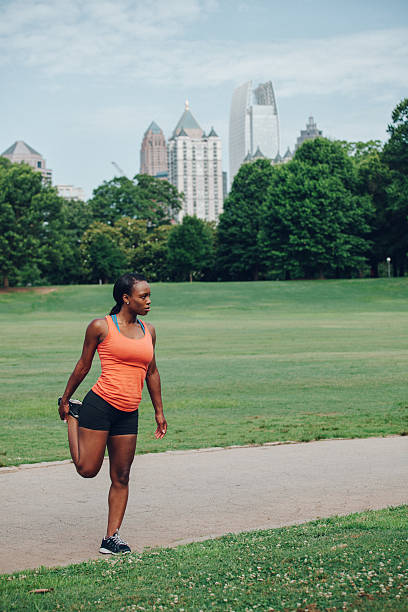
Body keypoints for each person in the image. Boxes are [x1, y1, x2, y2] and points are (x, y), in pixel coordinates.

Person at [58, 272, 167, 554]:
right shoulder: (101, 327)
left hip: (129, 411)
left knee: (122, 476)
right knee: (87, 469)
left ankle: (111, 538)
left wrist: (159, 411)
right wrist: (66, 400)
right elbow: (83, 365)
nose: (149, 301)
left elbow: (152, 372)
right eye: (143, 296)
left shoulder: (149, 331)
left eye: (149, 295)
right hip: (101, 404)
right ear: (125, 298)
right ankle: (75, 417)